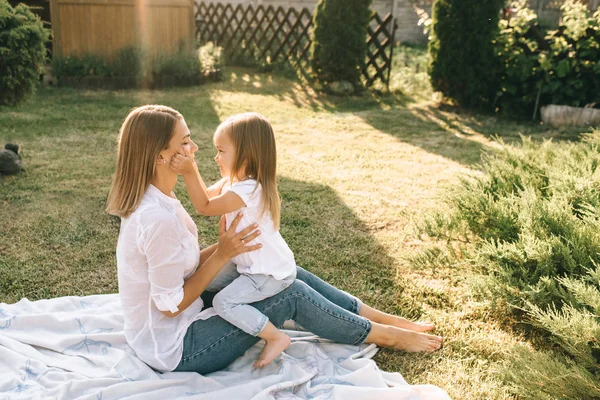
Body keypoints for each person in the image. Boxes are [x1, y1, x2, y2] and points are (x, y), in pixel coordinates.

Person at [106, 104, 443, 376]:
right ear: (159, 156)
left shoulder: (159, 199)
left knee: (283, 271)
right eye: (185, 142)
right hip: (178, 347)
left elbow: (184, 266)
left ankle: (382, 318)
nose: (194, 149)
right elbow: (170, 306)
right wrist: (223, 254)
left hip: (180, 320)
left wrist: (229, 249)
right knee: (289, 292)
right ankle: (386, 334)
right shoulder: (156, 218)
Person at [169, 112, 296, 368]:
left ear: (245, 156)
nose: (216, 157)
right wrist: (189, 170)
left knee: (223, 301)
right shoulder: (234, 182)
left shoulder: (249, 189)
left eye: (221, 151)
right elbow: (205, 195)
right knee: (200, 277)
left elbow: (204, 206)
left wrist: (190, 170)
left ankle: (275, 337)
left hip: (266, 274)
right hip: (245, 263)